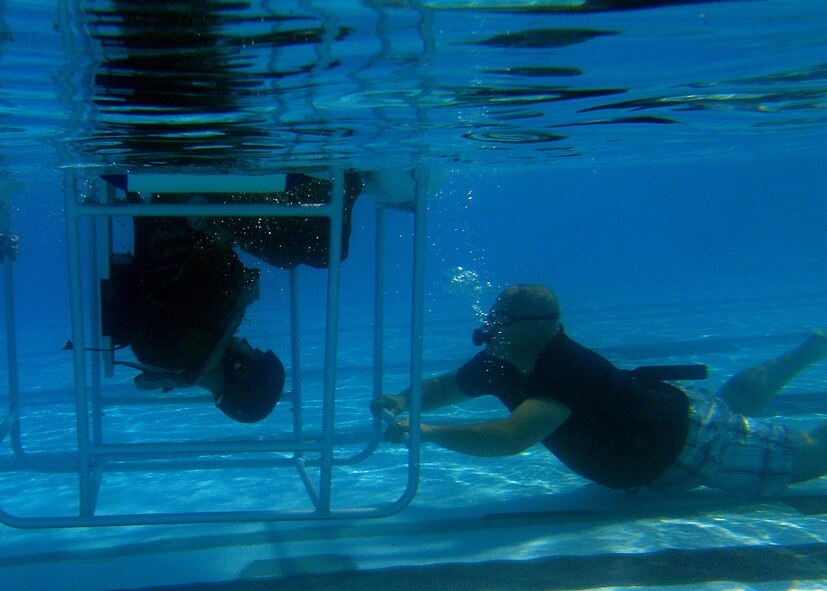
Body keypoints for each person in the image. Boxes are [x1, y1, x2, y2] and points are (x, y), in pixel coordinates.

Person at [376, 284, 827, 497]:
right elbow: (443, 386)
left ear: (542, 327)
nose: (488, 330)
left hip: (690, 443)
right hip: (663, 424)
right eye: (492, 320)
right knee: (730, 408)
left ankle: (809, 351)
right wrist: (401, 399)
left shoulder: (564, 367)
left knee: (808, 454)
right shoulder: (501, 360)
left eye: (499, 322)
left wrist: (428, 431)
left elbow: (512, 438)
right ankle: (809, 351)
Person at [102, 172, 363, 423]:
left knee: (325, 249)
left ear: (241, 371)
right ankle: (320, 186)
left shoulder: (193, 342)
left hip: (188, 202)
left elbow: (211, 259)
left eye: (253, 352)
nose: (249, 343)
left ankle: (341, 177)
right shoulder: (176, 360)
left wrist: (241, 292)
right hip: (176, 211)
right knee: (290, 254)